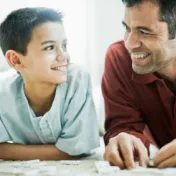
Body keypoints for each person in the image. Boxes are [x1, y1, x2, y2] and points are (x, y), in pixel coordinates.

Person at [0, 7, 99, 160]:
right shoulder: (3, 93)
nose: (64, 56)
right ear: (16, 60)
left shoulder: (77, 77)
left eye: (64, 46)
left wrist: (11, 150)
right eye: (49, 47)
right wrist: (62, 150)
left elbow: (75, 150)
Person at [102, 0, 176, 170]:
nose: (129, 43)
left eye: (144, 32)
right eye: (127, 28)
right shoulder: (120, 58)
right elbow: (123, 125)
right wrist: (123, 138)